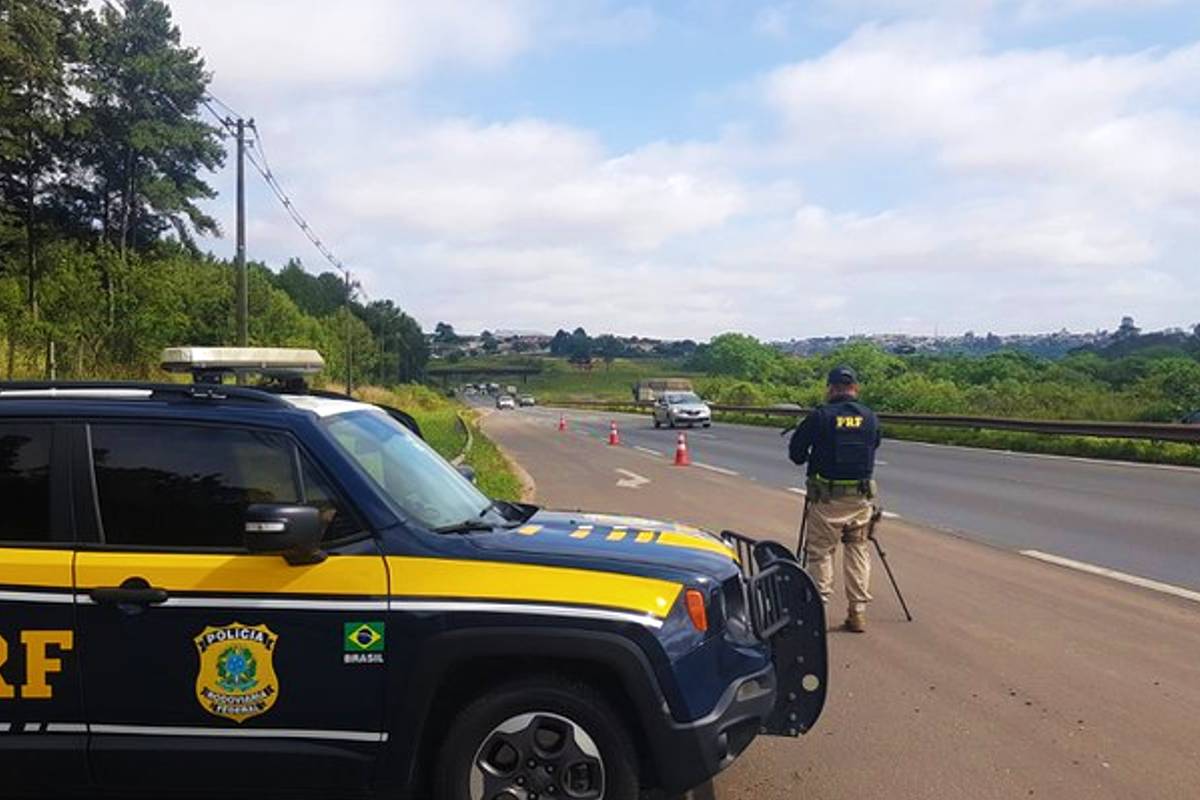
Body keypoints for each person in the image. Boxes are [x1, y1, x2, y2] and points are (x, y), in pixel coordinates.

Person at [788, 365, 881, 633]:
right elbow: (874, 446)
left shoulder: (820, 417)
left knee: (820, 554)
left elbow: (796, 454)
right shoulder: (870, 417)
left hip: (826, 500)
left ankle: (818, 610)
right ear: (855, 388)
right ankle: (858, 612)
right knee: (858, 550)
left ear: (830, 388)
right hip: (860, 500)